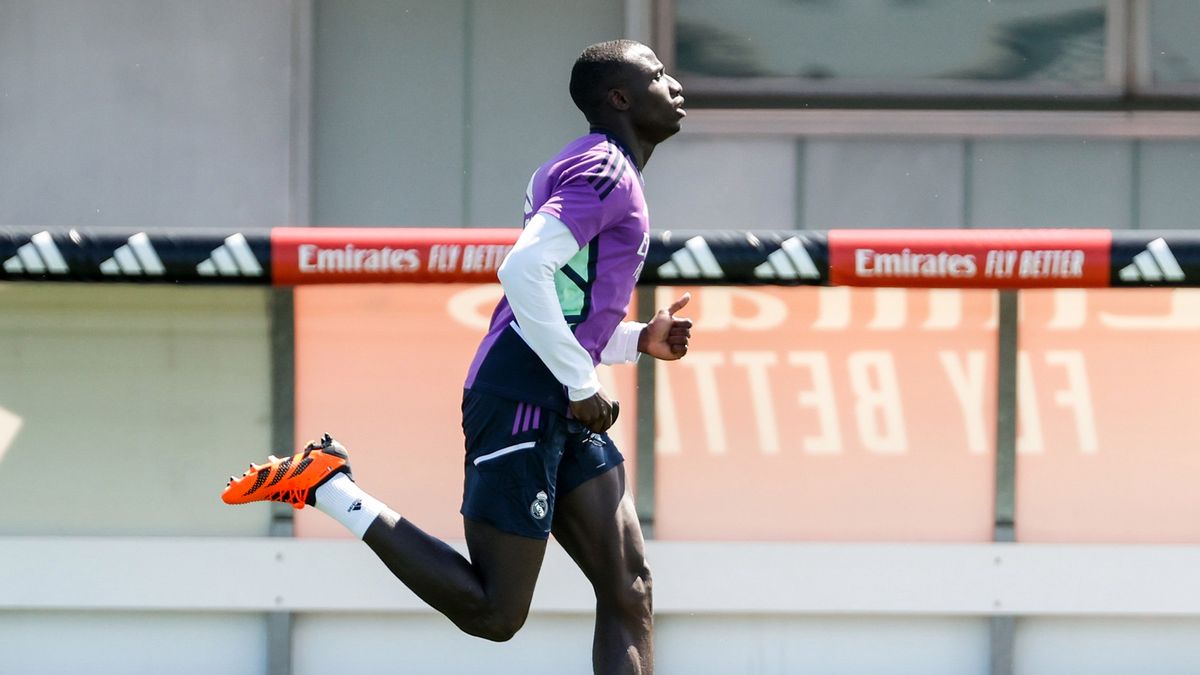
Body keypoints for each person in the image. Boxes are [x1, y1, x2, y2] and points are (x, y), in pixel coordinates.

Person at [223, 39, 690, 674]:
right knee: (495, 613)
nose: (675, 85)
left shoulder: (601, 169)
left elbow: (562, 307)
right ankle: (329, 485)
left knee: (629, 586)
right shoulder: (603, 170)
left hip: (560, 397)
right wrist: (582, 382)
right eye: (659, 76)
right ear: (620, 99)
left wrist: (637, 340)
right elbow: (522, 272)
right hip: (523, 397)